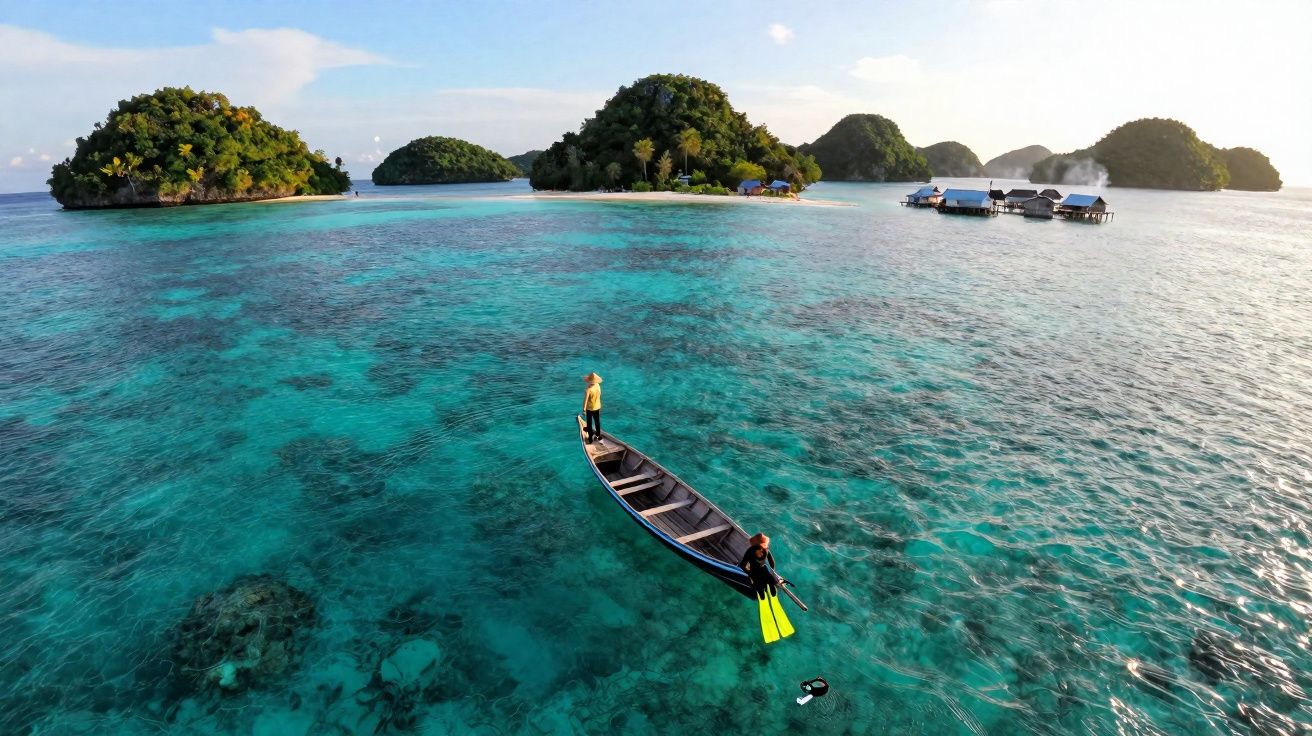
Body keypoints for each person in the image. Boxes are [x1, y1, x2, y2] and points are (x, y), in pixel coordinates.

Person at [740, 533, 795, 643]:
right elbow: (742, 565)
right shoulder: (750, 552)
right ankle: (768, 617)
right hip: (756, 575)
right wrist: (750, 574)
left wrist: (773, 572)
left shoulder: (765, 550)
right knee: (763, 597)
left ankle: (774, 602)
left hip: (765, 572)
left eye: (764, 545)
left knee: (773, 593)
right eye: (763, 545)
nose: (764, 547)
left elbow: (771, 561)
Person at [582, 372, 603, 444]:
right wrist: (600, 405)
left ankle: (590, 439)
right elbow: (599, 396)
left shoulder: (588, 389)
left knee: (589, 423)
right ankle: (598, 435)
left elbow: (586, 400)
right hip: (597, 406)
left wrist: (584, 409)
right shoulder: (598, 386)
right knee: (597, 422)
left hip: (590, 408)